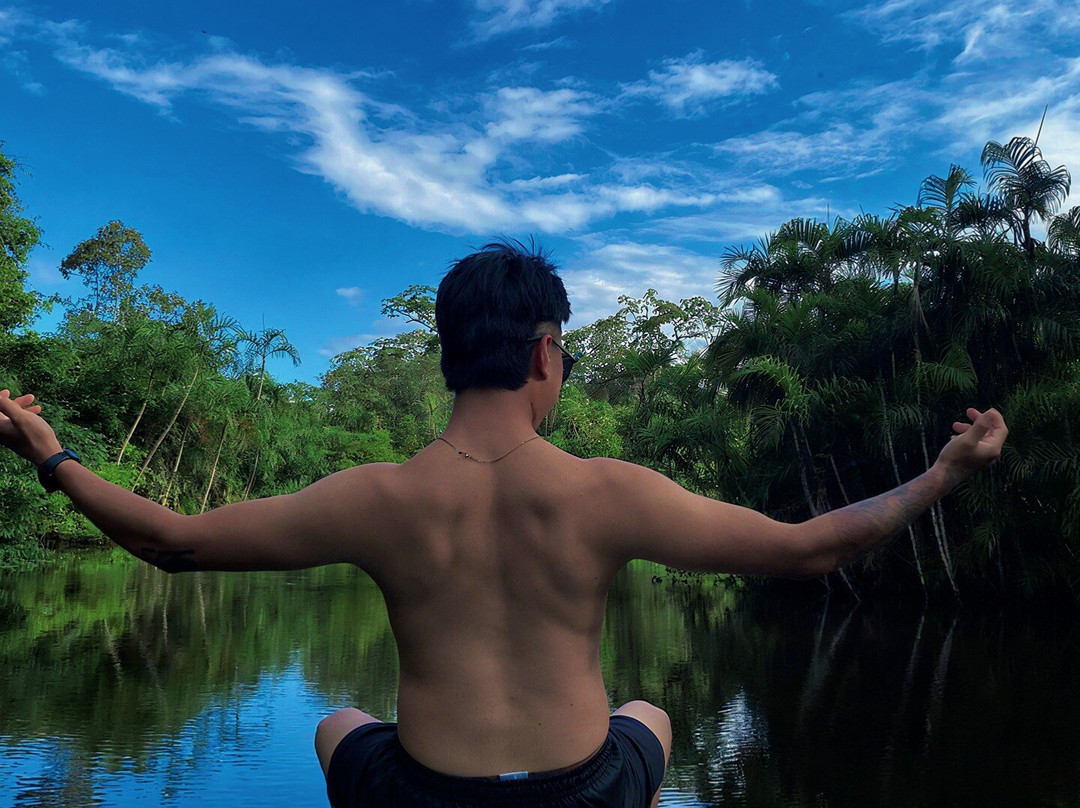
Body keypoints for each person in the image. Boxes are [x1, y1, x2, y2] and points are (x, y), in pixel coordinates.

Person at [0, 240, 1007, 808]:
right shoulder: (606, 491)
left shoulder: (377, 496)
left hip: (425, 797)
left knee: (336, 722)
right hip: (582, 794)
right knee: (650, 717)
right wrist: (941, 474)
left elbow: (171, 541)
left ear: (450, 357)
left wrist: (52, 453)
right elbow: (809, 548)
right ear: (541, 355)